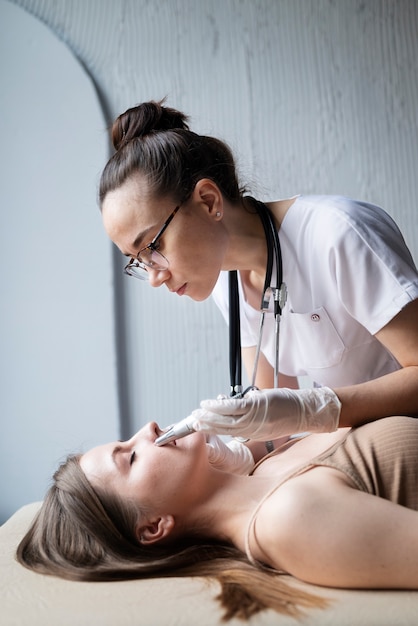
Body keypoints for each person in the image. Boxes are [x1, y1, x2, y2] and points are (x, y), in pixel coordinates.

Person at [97, 99, 418, 448]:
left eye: (152, 246)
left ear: (208, 201)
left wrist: (312, 410)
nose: (155, 277)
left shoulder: (338, 235)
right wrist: (227, 455)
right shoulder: (228, 282)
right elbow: (274, 431)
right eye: (137, 260)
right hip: (353, 453)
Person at [17, 416, 418, 620]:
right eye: (132, 456)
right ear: (154, 526)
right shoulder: (286, 520)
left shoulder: (261, 469)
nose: (148, 428)